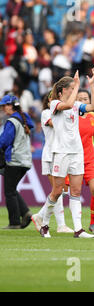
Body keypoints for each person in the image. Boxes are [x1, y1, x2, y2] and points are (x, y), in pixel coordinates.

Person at [37, 70, 94, 238]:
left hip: (77, 152)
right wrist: (78, 85)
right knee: (57, 191)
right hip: (61, 152)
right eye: (71, 88)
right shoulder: (54, 104)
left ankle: (78, 230)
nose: (74, 91)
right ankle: (45, 225)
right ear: (62, 90)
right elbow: (68, 105)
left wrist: (91, 86)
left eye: (74, 88)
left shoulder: (76, 106)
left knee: (76, 191)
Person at [31, 93, 73, 233]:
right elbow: (57, 125)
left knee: (60, 189)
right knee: (58, 189)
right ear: (49, 100)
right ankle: (59, 225)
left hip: (61, 153)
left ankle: (41, 216)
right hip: (50, 155)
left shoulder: (61, 113)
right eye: (53, 97)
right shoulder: (46, 113)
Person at [0, 95, 34, 229]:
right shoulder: (24, 119)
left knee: (9, 191)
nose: (3, 108)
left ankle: (14, 222)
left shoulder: (12, 121)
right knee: (12, 189)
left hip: (14, 160)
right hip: (25, 160)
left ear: (11, 106)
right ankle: (25, 213)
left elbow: (4, 141)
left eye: (5, 105)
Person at [76, 83, 94, 236]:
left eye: (85, 98)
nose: (83, 101)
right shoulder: (71, 114)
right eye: (79, 98)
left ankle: (93, 223)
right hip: (73, 159)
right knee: (67, 192)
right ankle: (68, 224)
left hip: (89, 159)